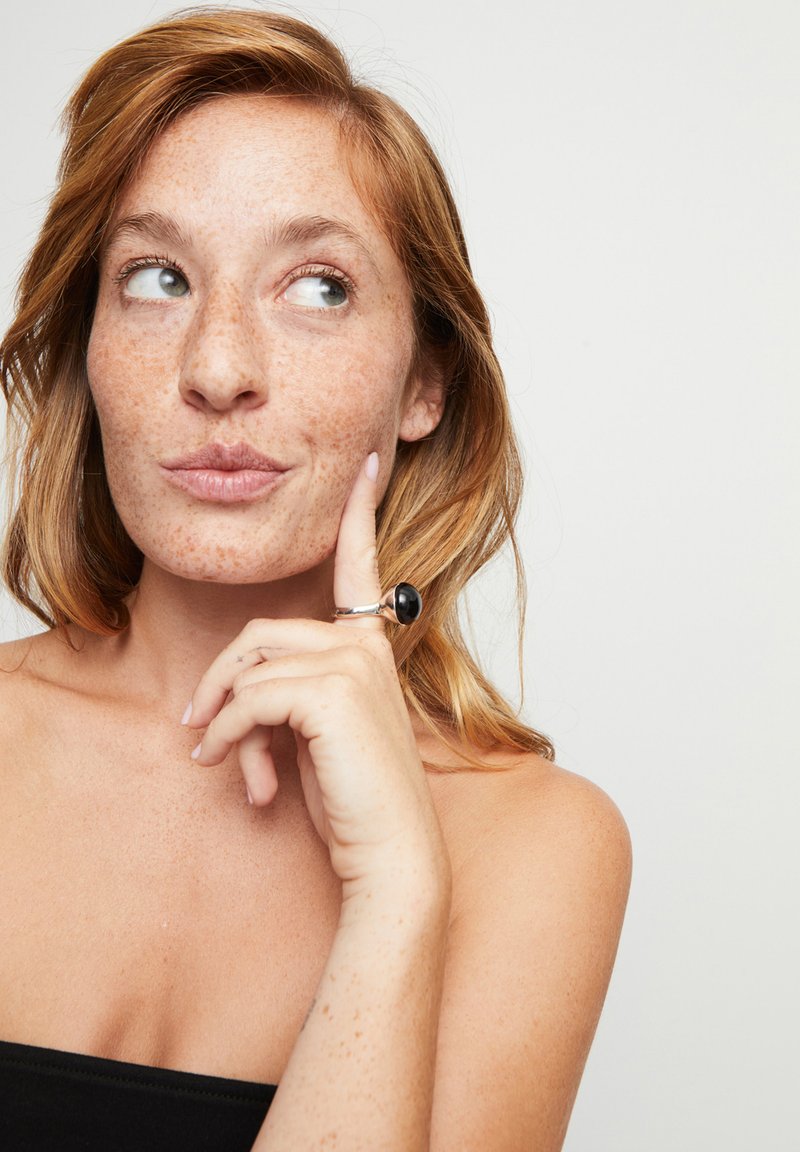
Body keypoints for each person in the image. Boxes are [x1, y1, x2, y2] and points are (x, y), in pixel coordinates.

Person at [0, 7, 632, 1150]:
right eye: (155, 277)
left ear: (423, 384)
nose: (221, 368)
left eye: (319, 287)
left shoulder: (535, 847)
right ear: (83, 344)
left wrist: (396, 895)